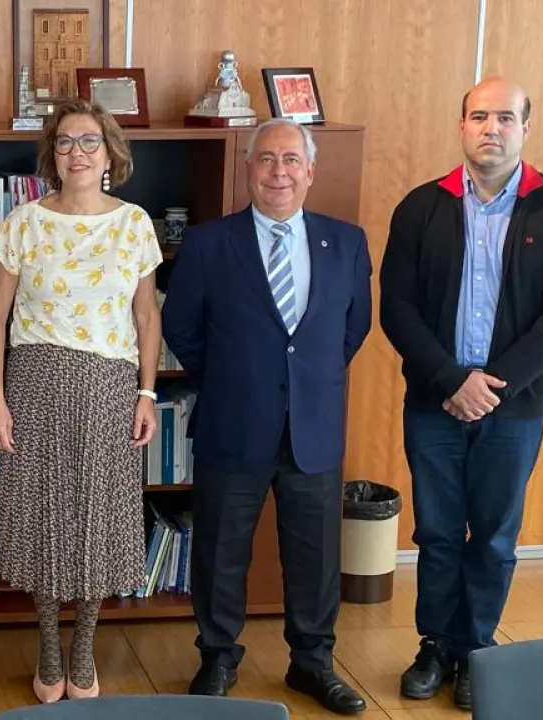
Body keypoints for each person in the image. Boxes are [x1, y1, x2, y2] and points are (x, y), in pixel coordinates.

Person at [380, 76, 543, 711]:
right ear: (462, 126)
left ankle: (476, 649)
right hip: (435, 402)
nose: (490, 129)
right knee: (438, 532)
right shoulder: (422, 207)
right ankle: (435, 646)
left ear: (525, 128)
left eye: (504, 117)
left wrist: (490, 387)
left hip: (513, 406)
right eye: (479, 116)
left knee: (495, 535)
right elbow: (398, 309)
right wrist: (453, 380)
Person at [161, 118, 371, 716]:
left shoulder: (346, 242)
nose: (279, 172)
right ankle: (218, 657)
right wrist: (233, 379)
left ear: (310, 170)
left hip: (313, 426)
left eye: (291, 160)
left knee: (315, 555)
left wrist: (306, 381)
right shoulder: (208, 243)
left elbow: (352, 328)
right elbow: (181, 326)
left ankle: (312, 662)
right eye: (267, 160)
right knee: (221, 549)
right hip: (234, 421)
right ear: (248, 168)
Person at [0, 98, 162, 704]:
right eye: (64, 142)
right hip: (34, 380)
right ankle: (47, 644)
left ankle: (83, 644)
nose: (77, 152)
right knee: (41, 515)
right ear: (51, 155)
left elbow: (146, 316)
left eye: (89, 141)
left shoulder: (134, 223)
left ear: (110, 154)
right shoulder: (23, 222)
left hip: (109, 386)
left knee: (97, 516)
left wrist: (147, 393)